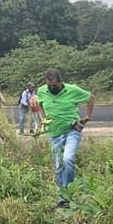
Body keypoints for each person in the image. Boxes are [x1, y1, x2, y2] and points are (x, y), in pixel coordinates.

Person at [36, 69, 95, 208]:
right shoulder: (42, 91)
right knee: (58, 165)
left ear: (61, 82)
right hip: (55, 133)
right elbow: (40, 104)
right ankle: (63, 198)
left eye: (55, 86)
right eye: (49, 86)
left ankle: (69, 193)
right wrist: (44, 118)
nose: (52, 88)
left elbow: (91, 98)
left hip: (72, 130)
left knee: (68, 159)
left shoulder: (72, 90)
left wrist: (87, 117)